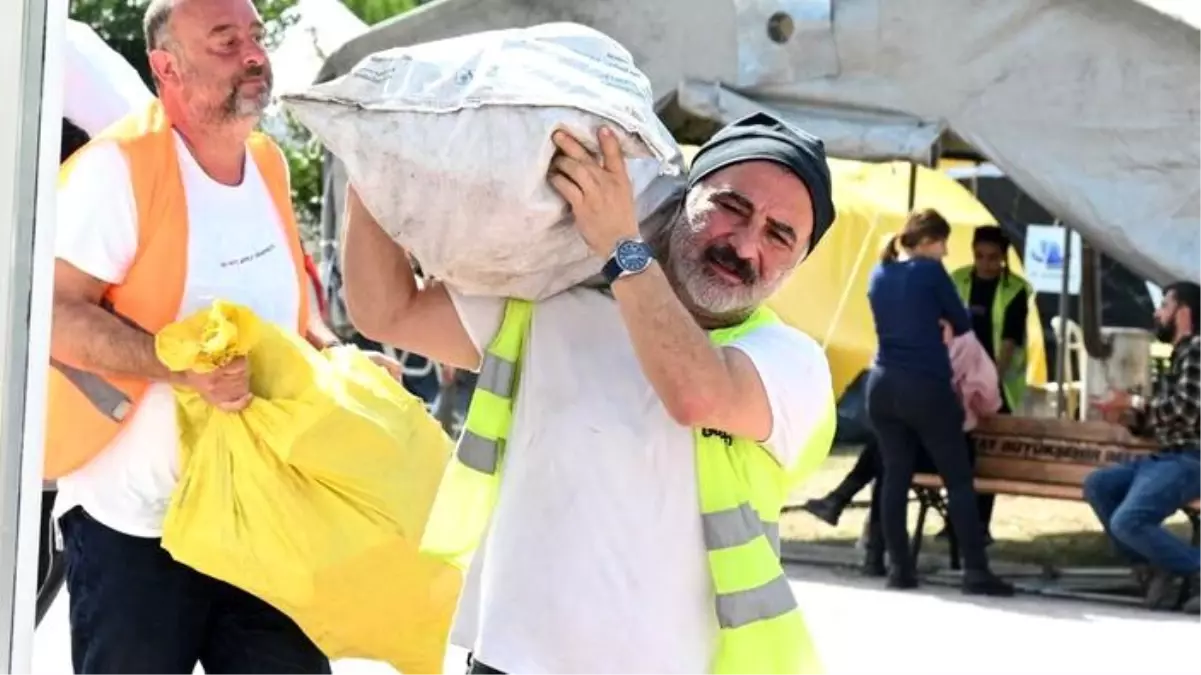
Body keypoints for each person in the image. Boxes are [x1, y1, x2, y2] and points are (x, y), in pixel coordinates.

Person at [342, 113, 838, 675]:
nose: (746, 245)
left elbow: (697, 395)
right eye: (733, 207)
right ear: (683, 197)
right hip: (508, 659)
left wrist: (622, 246)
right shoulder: (554, 300)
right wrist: (373, 159)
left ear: (798, 263)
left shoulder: (790, 362)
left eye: (780, 235)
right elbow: (389, 311)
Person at [48, 0, 396, 672]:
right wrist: (171, 363)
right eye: (224, 39)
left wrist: (338, 359)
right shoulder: (117, 169)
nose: (253, 54)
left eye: (255, 37)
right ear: (166, 66)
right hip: (135, 528)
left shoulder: (265, 163)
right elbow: (57, 315)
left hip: (256, 516)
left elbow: (293, 316)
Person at [865, 209, 1013, 595]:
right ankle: (976, 572)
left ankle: (899, 569)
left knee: (895, 476)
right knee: (959, 481)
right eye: (944, 243)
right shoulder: (929, 272)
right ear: (929, 241)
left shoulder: (878, 273)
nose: (946, 252)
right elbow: (962, 323)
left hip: (881, 384)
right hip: (926, 385)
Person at [1084, 281, 1201, 613]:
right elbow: (1167, 419)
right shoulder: (1180, 355)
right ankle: (1154, 566)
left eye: (1164, 305)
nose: (1156, 312)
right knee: (1098, 485)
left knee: (1128, 521)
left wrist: (1134, 400)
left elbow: (1186, 411)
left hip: (1191, 460)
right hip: (1167, 457)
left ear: (1183, 313)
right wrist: (1128, 416)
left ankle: (1188, 567)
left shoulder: (1197, 350)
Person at [937, 225, 1031, 541]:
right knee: (959, 453)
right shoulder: (959, 279)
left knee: (986, 457)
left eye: (993, 258)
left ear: (1004, 258)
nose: (985, 264)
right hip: (957, 381)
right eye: (980, 256)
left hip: (997, 386)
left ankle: (980, 525)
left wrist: (992, 380)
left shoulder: (1015, 289)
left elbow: (1010, 340)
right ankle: (954, 522)